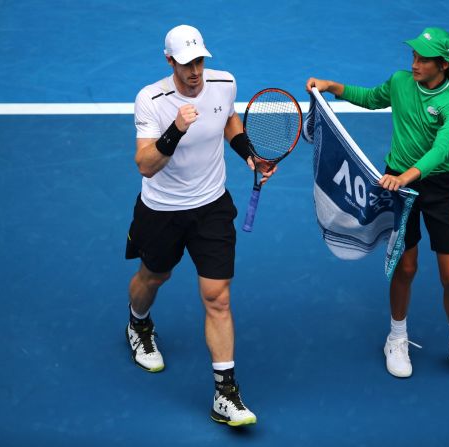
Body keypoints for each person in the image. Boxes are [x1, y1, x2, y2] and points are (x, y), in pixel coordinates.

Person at [306, 27, 449, 382]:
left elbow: (440, 151)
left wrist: (406, 176)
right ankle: (396, 338)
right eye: (413, 56)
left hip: (437, 189)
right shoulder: (400, 82)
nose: (415, 63)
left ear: (442, 65)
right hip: (400, 189)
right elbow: (371, 96)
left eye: (423, 59)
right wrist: (332, 86)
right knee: (405, 268)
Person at [125, 24, 275, 426]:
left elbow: (227, 119)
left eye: (200, 61)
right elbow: (145, 165)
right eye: (187, 63)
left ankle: (225, 394)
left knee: (218, 297)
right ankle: (138, 323)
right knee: (154, 276)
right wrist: (176, 129)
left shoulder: (224, 83)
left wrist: (249, 154)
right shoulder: (150, 100)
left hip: (211, 206)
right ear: (170, 61)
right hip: (162, 211)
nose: (196, 71)